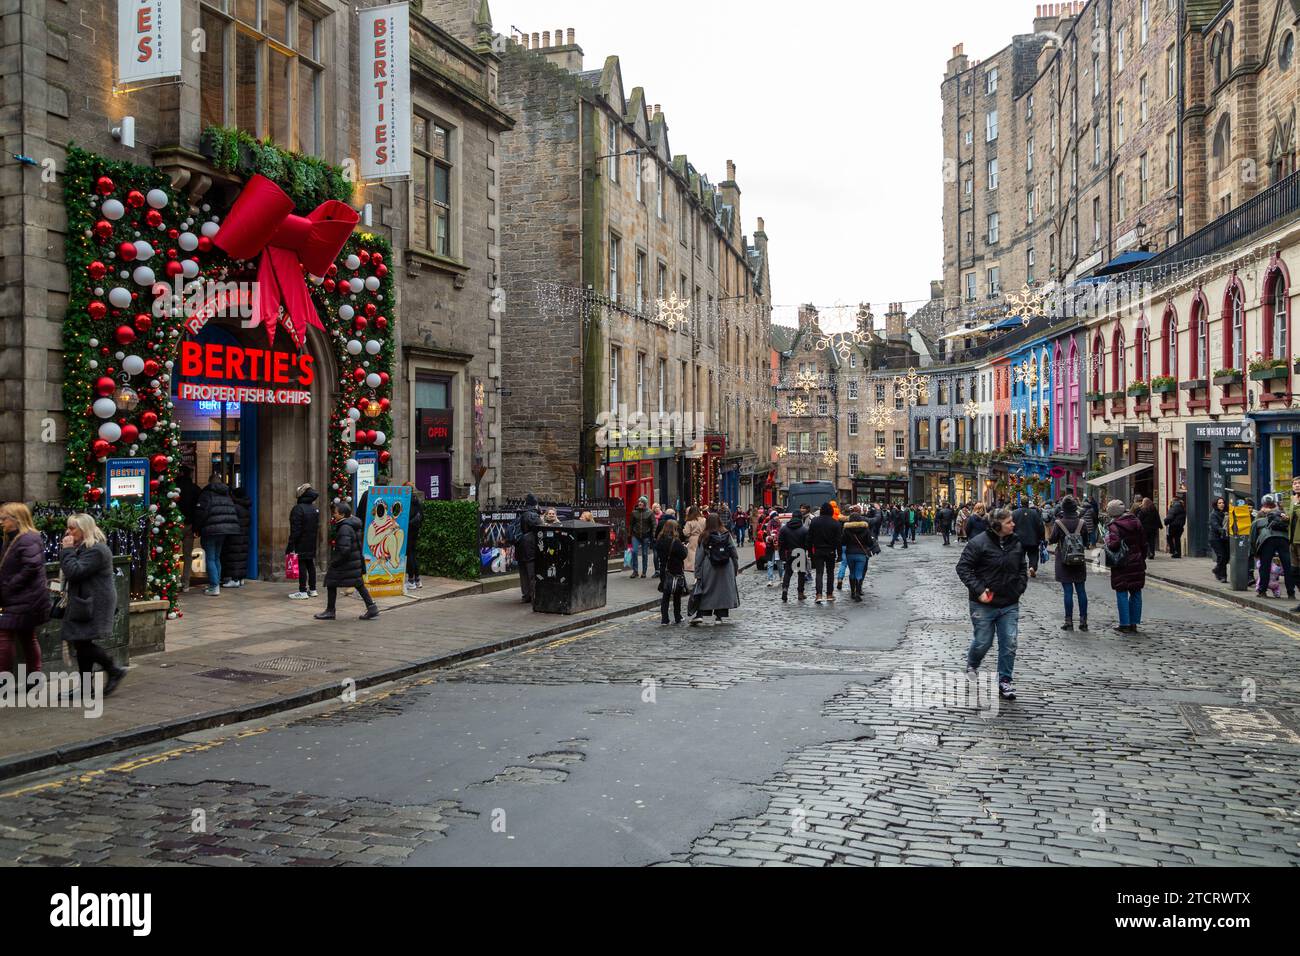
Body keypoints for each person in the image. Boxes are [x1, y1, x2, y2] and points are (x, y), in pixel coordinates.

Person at [956, 508, 1027, 701]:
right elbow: (963, 568)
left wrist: (1020, 586)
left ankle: (1005, 680)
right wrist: (979, 590)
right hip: (983, 604)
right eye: (1009, 522)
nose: (1013, 524)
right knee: (982, 642)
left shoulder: (1016, 542)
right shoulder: (978, 543)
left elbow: (1022, 567)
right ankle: (972, 663)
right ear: (996, 526)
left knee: (1009, 642)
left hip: (1009, 602)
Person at [58, 513, 127, 696]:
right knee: (81, 642)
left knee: (83, 642)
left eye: (73, 528)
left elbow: (74, 571)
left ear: (84, 529)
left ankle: (113, 670)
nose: (68, 531)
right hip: (84, 601)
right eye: (68, 527)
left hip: (95, 603)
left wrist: (66, 551)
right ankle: (87, 687)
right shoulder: (82, 547)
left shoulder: (97, 550)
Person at [0, 502, 50, 677]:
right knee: (27, 637)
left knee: (5, 636)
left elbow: (32, 566)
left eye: (4, 518)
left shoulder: (27, 538)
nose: (1, 521)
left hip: (24, 598)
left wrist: (9, 585)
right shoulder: (13, 537)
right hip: (23, 597)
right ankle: (34, 676)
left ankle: (4, 677)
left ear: (16, 519)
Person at [315, 502, 379, 621]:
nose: (333, 515)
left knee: (331, 581)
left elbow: (344, 549)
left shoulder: (344, 527)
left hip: (347, 563)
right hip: (354, 562)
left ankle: (330, 611)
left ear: (342, 514)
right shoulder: (350, 524)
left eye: (335, 513)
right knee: (358, 583)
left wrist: (335, 562)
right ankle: (372, 607)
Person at [1104, 499, 1148, 634]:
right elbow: (1143, 542)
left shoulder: (1114, 526)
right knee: (1136, 592)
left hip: (1122, 563)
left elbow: (1114, 545)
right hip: (1137, 561)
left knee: (1122, 592)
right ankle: (1134, 623)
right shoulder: (1136, 522)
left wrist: (1107, 541)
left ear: (1112, 513)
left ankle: (1124, 623)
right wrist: (1141, 557)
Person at [193, 475, 241, 596]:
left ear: (210, 483)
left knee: (210, 558)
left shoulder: (207, 494)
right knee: (216, 557)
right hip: (224, 531)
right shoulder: (227, 494)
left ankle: (214, 586)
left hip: (210, 530)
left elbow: (200, 513)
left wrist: (196, 528)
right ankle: (216, 583)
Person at [690, 513, 740, 626]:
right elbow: (734, 553)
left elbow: (699, 557)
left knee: (707, 590)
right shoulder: (726, 534)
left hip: (709, 566)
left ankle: (700, 615)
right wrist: (735, 568)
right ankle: (719, 616)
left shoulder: (704, 536)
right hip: (726, 566)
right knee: (722, 592)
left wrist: (697, 573)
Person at [1047, 496, 1089, 632]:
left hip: (1064, 561)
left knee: (1068, 592)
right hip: (1079, 561)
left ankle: (1069, 621)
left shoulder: (1059, 523)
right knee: (1081, 591)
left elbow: (1052, 539)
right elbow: (1087, 543)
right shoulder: (1082, 523)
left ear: (1063, 509)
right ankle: (1083, 621)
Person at [1251, 496, 1295, 602]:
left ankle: (1262, 591)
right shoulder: (1283, 518)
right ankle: (1291, 593)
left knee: (1265, 566)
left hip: (1267, 541)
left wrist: (1255, 552)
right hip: (1283, 540)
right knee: (1288, 566)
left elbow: (1252, 539)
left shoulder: (1258, 521)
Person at [286, 483, 321, 599]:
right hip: (311, 541)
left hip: (301, 541)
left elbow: (295, 530)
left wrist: (290, 545)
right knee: (310, 564)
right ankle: (313, 589)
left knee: (301, 565)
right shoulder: (314, 508)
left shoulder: (298, 509)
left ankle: (302, 591)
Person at [807, 502, 842, 605]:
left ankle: (818, 595)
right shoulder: (835, 523)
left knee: (819, 573)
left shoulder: (814, 522)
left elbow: (809, 538)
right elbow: (838, 541)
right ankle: (829, 594)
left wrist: (809, 552)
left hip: (818, 550)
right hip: (830, 551)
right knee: (830, 573)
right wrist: (839, 554)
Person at [655, 519, 688, 625]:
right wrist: (685, 548)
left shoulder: (660, 539)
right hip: (675, 569)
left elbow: (658, 554)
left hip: (664, 569)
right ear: (674, 529)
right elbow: (683, 555)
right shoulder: (676, 541)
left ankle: (664, 619)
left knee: (666, 595)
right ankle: (677, 617)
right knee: (677, 595)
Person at [220, 486, 252, 589]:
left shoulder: (236, 507)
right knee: (241, 557)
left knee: (235, 557)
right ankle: (241, 578)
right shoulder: (245, 506)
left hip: (235, 535)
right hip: (244, 535)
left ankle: (235, 580)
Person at [842, 506, 876, 602]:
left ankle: (852, 592)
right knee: (859, 573)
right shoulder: (865, 529)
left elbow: (843, 542)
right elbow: (870, 542)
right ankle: (858, 593)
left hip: (850, 554)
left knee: (852, 573)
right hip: (861, 554)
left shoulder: (846, 529)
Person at [176, 466, 200, 591]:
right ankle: (186, 582)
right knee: (187, 555)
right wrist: (197, 527)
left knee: (173, 554)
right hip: (189, 525)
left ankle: (173, 580)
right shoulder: (195, 489)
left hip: (175, 525)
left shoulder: (174, 488)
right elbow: (198, 510)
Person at [515, 494, 542, 604]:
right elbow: (540, 527)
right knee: (531, 572)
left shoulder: (521, 513)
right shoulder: (533, 515)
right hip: (530, 548)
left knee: (523, 573)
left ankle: (526, 595)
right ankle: (533, 596)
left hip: (520, 546)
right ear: (535, 504)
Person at [1011, 501, 1046, 578]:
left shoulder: (1015, 513)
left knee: (1020, 554)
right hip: (1033, 538)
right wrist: (1042, 538)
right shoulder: (1035, 513)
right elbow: (1040, 526)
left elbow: (1011, 526)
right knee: (1033, 554)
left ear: (1021, 504)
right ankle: (1032, 567)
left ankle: (1021, 569)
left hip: (1019, 539)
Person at [779, 512, 809, 602]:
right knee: (801, 574)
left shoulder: (784, 529)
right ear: (800, 518)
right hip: (800, 552)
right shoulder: (804, 530)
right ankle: (800, 593)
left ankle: (785, 589)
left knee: (788, 573)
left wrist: (782, 555)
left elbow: (781, 543)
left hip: (790, 552)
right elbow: (807, 544)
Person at [629, 496, 656, 580]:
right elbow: (631, 524)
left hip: (646, 536)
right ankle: (635, 571)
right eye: (639, 502)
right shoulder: (634, 513)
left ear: (645, 504)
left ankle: (644, 572)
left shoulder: (650, 513)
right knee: (634, 551)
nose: (639, 503)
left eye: (641, 502)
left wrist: (653, 535)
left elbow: (654, 525)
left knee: (645, 554)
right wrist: (630, 534)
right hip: (635, 535)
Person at [405, 483, 424, 590]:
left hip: (408, 531)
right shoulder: (416, 500)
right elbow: (421, 517)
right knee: (413, 553)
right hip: (415, 531)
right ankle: (417, 580)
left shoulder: (408, 501)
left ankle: (411, 580)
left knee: (409, 555)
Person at [1208, 496, 1230, 583]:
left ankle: (1217, 570)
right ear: (1216, 505)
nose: (1222, 504)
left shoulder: (1227, 513)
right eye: (1219, 503)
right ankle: (1223, 576)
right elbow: (1215, 525)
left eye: (1223, 503)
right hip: (1215, 538)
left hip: (1225, 538)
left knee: (1226, 556)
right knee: (1221, 556)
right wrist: (1221, 530)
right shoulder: (1213, 514)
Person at [681, 506, 706, 576]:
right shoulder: (704, 519)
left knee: (693, 554)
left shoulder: (689, 521)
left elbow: (686, 533)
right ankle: (701, 567)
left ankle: (694, 569)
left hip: (693, 539)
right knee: (701, 553)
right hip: (702, 538)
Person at [1138, 497, 1163, 561]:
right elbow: (1157, 518)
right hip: (1153, 529)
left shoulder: (1142, 510)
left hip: (1145, 529)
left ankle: (1148, 553)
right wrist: (1160, 525)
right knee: (1152, 541)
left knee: (1146, 541)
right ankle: (1152, 553)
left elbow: (1139, 519)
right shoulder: (1154, 509)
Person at [1164, 495, 1186, 559]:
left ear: (1173, 501)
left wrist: (1165, 521)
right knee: (1177, 539)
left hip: (1173, 525)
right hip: (1180, 526)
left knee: (1169, 537)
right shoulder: (1182, 506)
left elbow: (1170, 517)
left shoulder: (1174, 507)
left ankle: (1173, 551)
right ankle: (1178, 553)